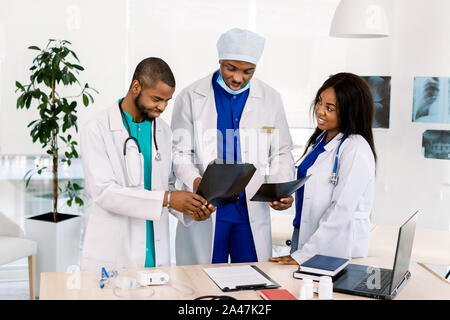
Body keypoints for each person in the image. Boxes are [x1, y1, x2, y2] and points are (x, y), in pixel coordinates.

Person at [171, 28, 295, 265]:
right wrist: (196, 182)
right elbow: (180, 152)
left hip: (249, 212)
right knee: (203, 283)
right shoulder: (190, 96)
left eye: (247, 71)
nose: (238, 78)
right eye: (231, 68)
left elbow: (282, 151)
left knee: (252, 282)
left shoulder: (271, 98)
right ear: (219, 61)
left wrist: (280, 188)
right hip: (207, 207)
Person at [80, 57, 215, 270]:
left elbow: (166, 187)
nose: (162, 107)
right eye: (156, 99)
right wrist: (169, 198)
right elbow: (104, 192)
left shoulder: (162, 131)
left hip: (155, 257)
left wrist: (189, 209)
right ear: (136, 87)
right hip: (113, 254)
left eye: (167, 101)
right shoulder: (96, 129)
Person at [269, 72, 377, 265]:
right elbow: (314, 190)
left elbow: (341, 209)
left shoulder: (355, 147)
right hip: (305, 236)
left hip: (335, 248)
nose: (320, 111)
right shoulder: (320, 140)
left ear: (350, 111)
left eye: (330, 108)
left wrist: (306, 254)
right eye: (319, 102)